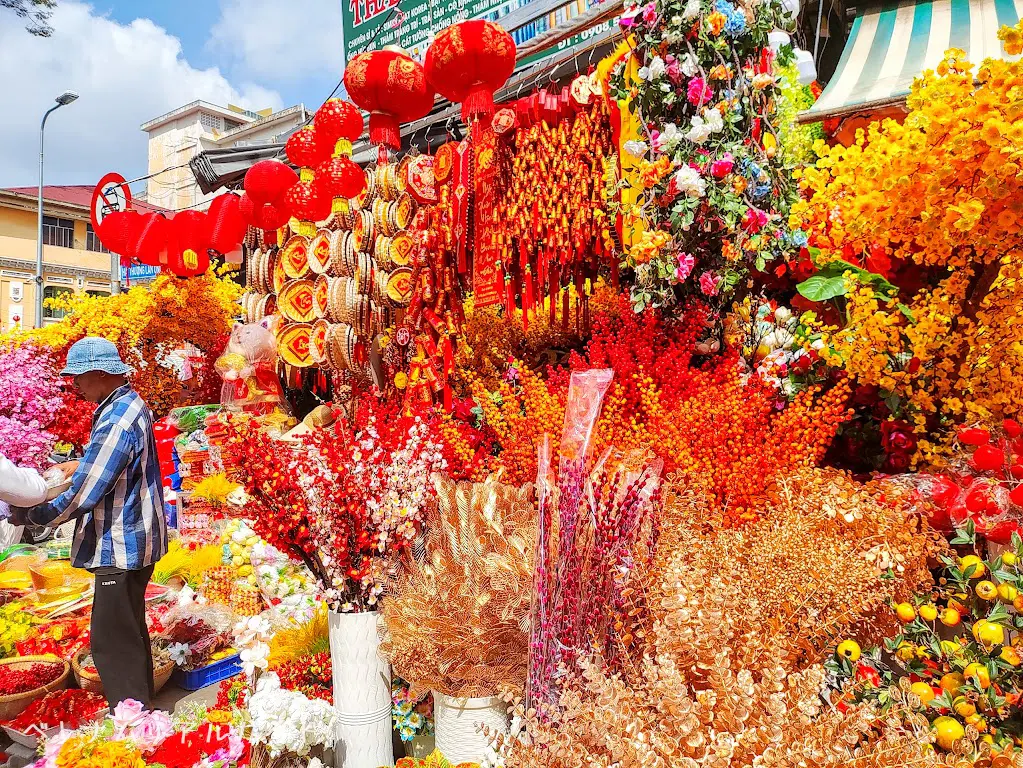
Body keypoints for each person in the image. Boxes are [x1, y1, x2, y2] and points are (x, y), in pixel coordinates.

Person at [13, 337, 168, 708]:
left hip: (120, 543)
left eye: (79, 378)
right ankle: (142, 713)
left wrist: (35, 515)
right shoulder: (128, 404)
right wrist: (79, 465)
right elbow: (103, 468)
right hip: (136, 538)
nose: (76, 386)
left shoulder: (116, 419)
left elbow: (86, 493)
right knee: (128, 632)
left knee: (111, 641)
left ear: (99, 374)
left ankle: (133, 721)